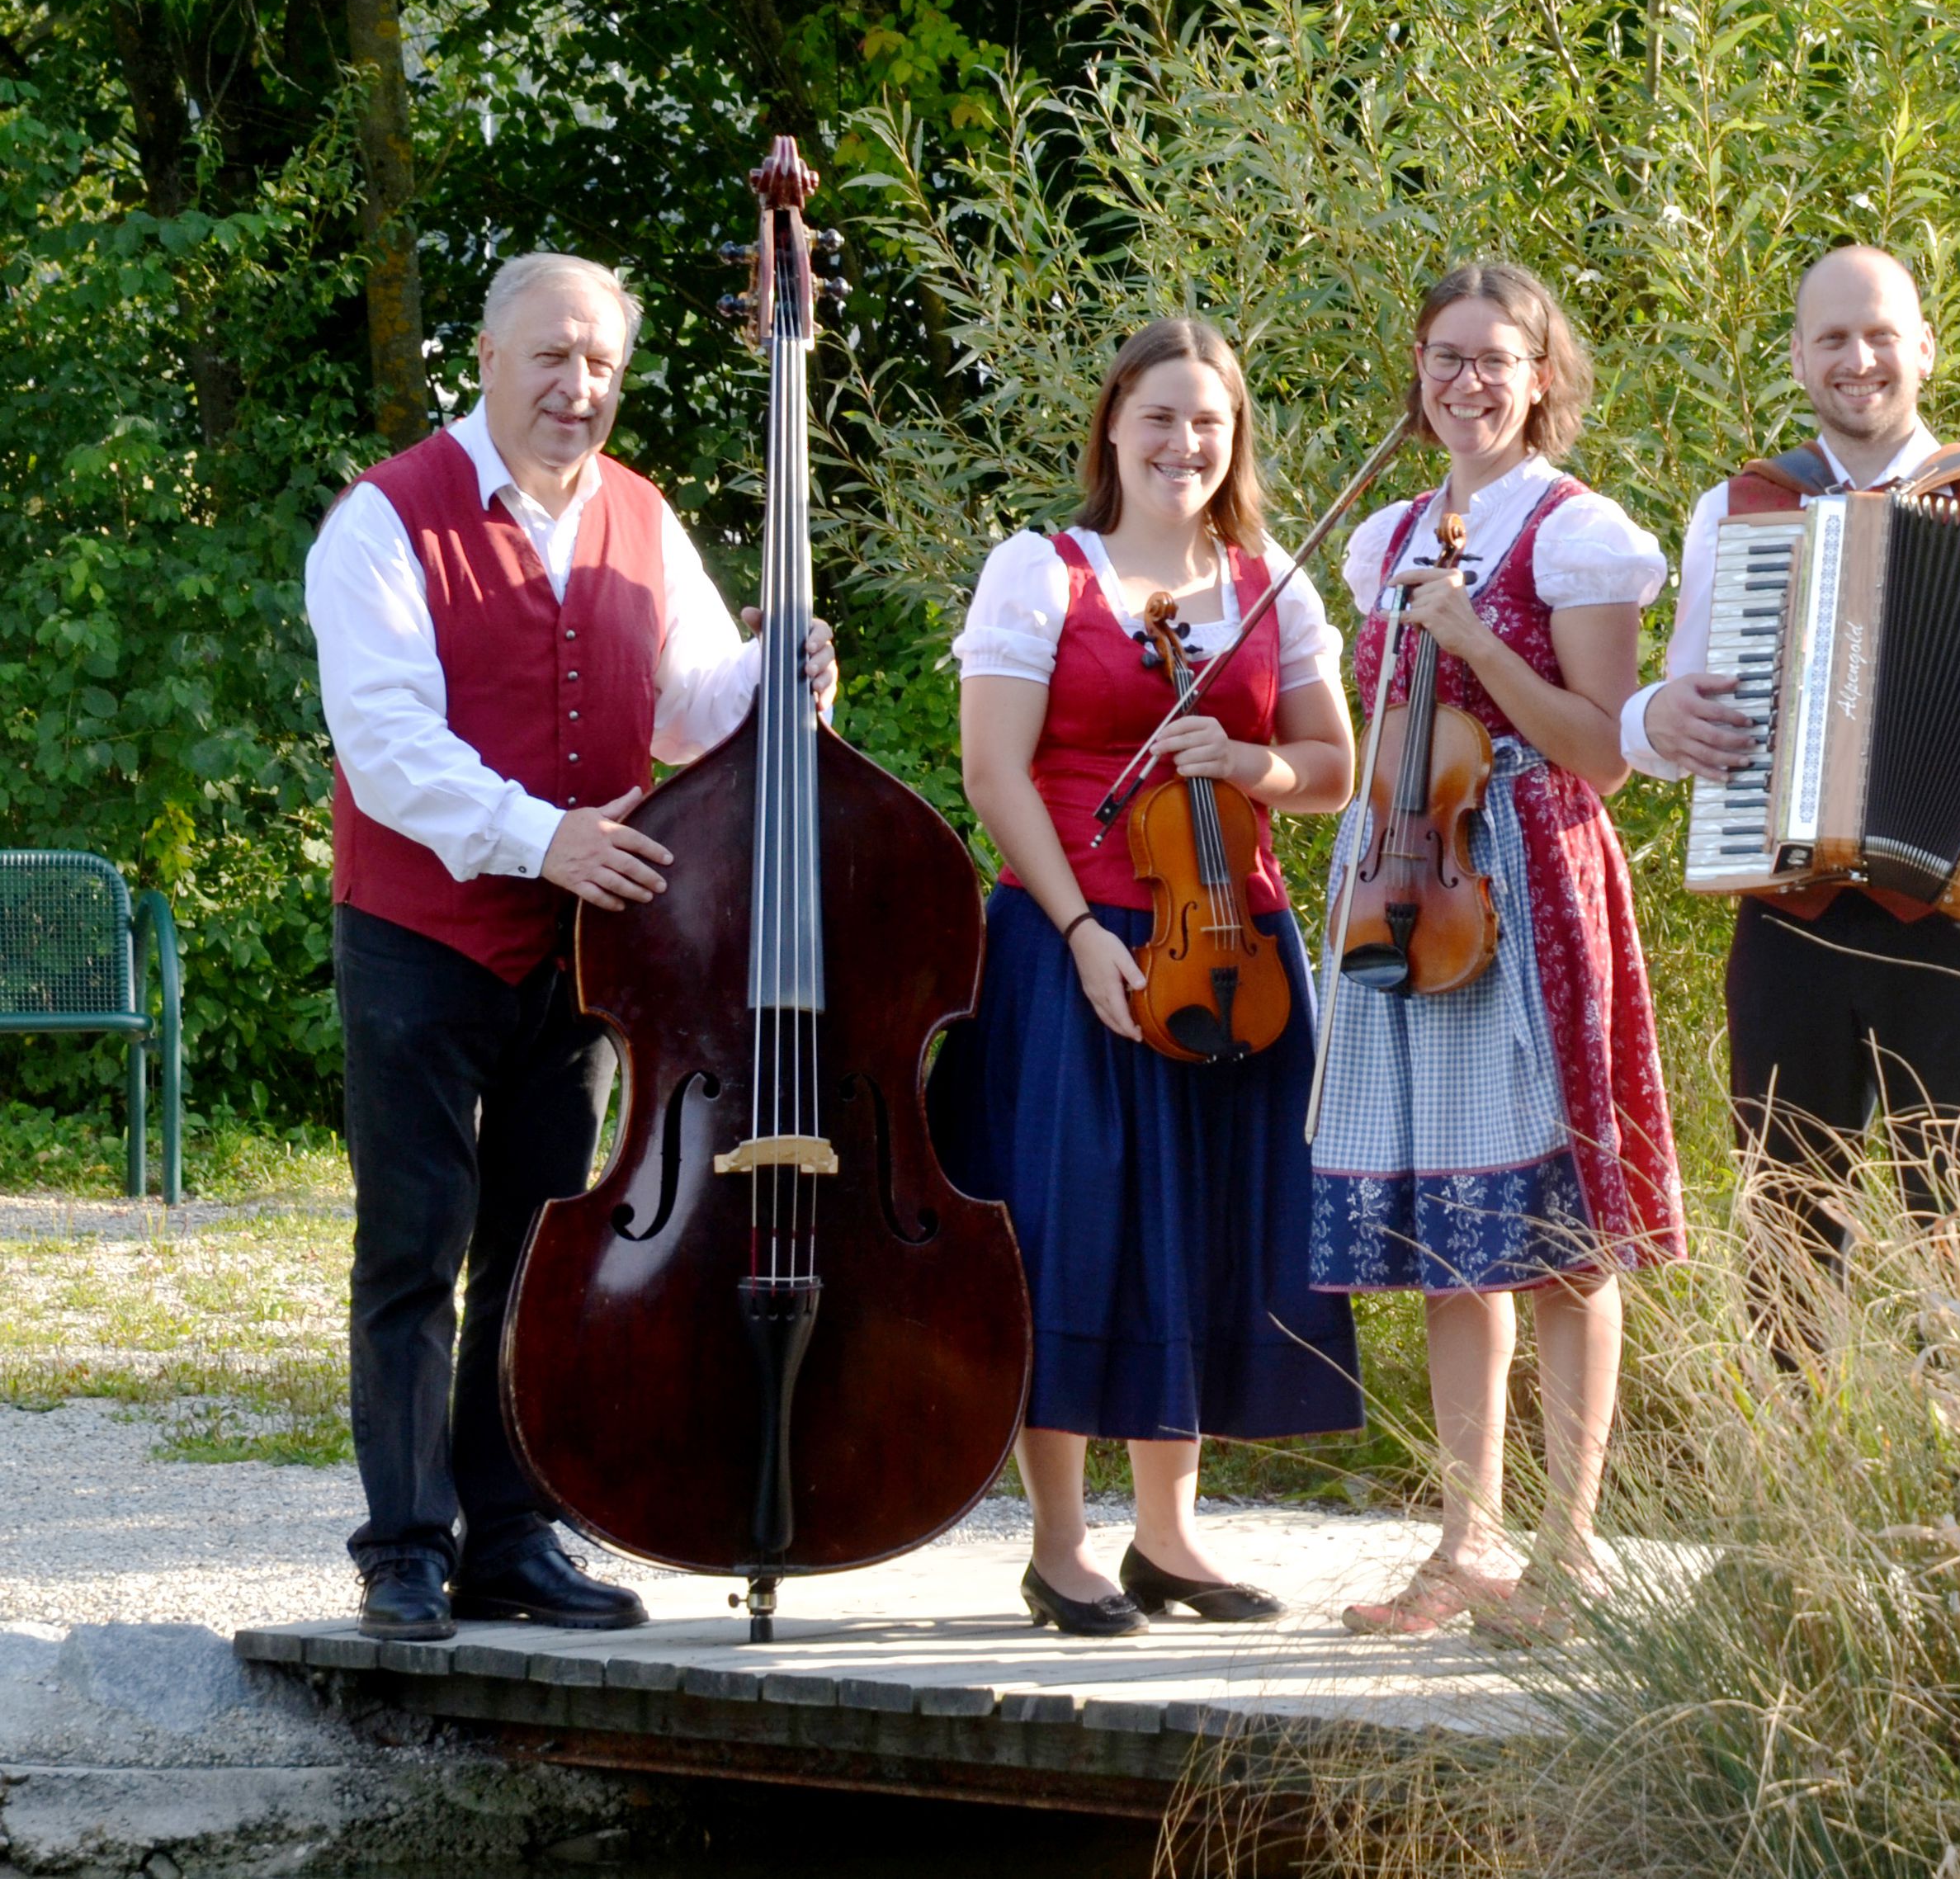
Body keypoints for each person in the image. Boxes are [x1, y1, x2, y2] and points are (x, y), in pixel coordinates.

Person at [307, 253, 835, 1642]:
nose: (577, 385)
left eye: (600, 362)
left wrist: (783, 667)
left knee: (537, 1248)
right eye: (551, 355)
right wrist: (543, 838)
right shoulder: (384, 519)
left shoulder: (643, 518)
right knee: (414, 1245)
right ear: (484, 359)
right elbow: (386, 743)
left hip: (589, 951)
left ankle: (511, 1539)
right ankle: (404, 1546)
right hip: (421, 935)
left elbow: (696, 703)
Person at [937, 318, 1364, 1636]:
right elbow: (994, 772)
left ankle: (1169, 1539)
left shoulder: (1272, 585)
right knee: (1074, 1226)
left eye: (1209, 423)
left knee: (1201, 1225)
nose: (1185, 443)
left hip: (1235, 945)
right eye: (1161, 417)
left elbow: (1333, 771)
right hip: (1076, 935)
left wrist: (1250, 764)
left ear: (1236, 440)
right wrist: (1078, 932)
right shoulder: (1039, 572)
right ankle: (1060, 1546)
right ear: (1114, 426)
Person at [1313, 261, 1682, 1643]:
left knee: (1563, 1232)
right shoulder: (1389, 533)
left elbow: (1605, 750)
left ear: (1541, 377)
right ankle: (1465, 1541)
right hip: (1409, 881)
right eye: (1445, 356)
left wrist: (1474, 638)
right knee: (1453, 1229)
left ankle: (1571, 1555)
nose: (1467, 381)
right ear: (1417, 372)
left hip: (1532, 872)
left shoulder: (1579, 535)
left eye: (1495, 358)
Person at [1627, 245, 1960, 1272]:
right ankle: (1792, 1390)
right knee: (1784, 1229)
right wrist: (1656, 717)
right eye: (1832, 338)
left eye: (1880, 335)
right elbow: (1672, 711)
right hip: (1790, 914)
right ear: (1796, 357)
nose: (1857, 359)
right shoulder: (1740, 507)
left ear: (1925, 349)